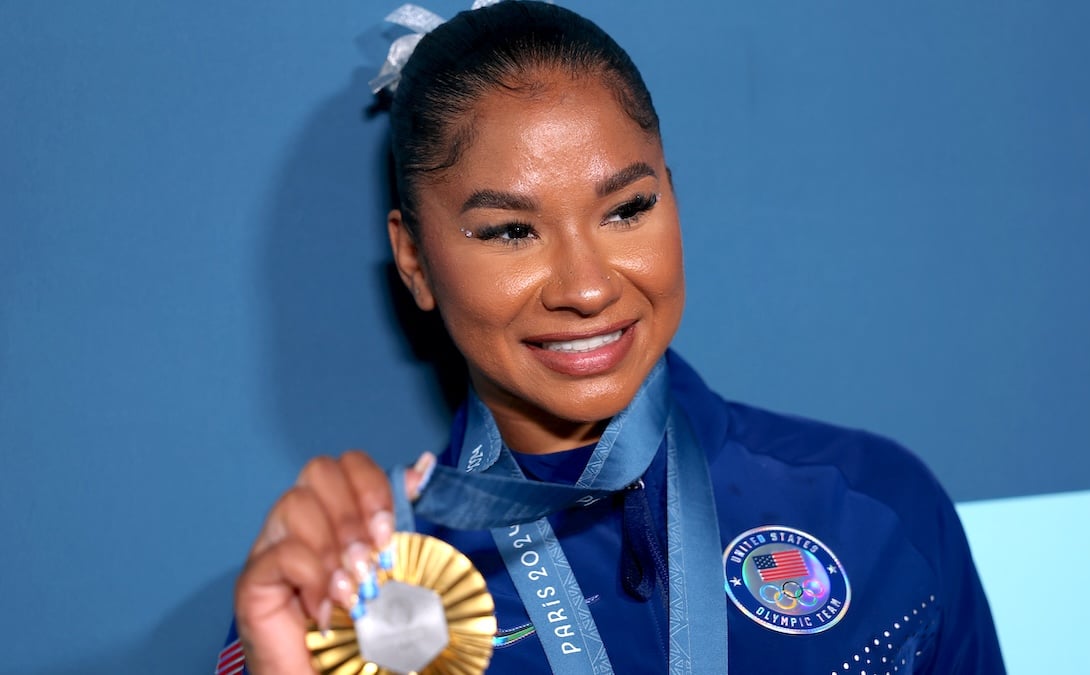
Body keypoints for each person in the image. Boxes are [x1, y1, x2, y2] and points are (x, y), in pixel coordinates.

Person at [221, 2, 1006, 673]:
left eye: (627, 209)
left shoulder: (872, 504)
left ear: (673, 195)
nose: (588, 286)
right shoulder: (353, 601)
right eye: (509, 231)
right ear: (416, 260)